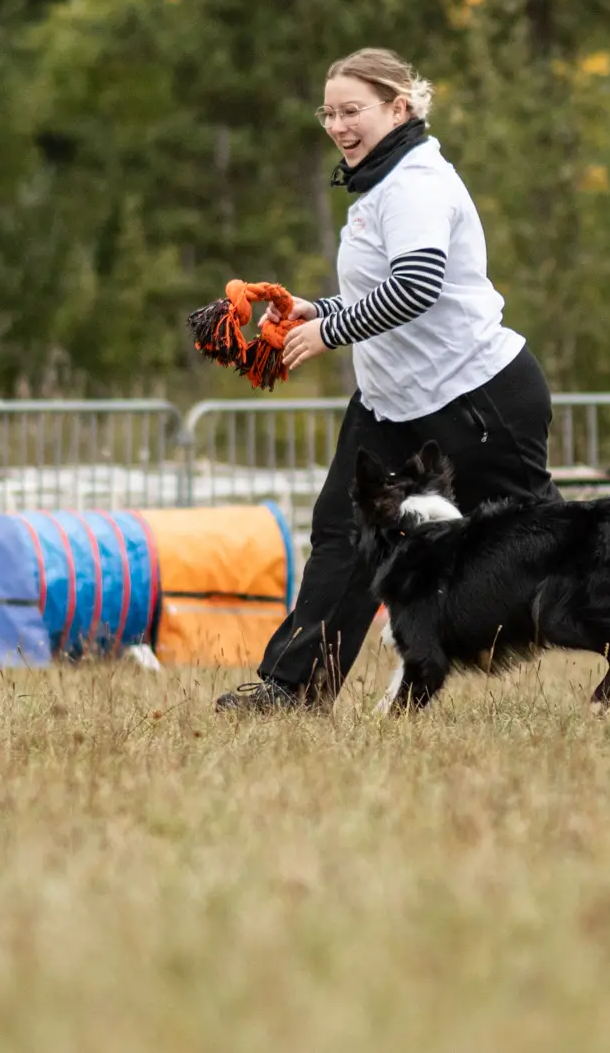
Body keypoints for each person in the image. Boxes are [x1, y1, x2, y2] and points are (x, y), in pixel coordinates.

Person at [216, 47, 560, 713]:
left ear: (399, 108)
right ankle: (294, 691)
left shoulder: (416, 183)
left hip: (477, 397)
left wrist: (330, 333)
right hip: (394, 401)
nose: (339, 126)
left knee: (547, 548)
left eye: (354, 111)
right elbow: (390, 294)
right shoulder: (379, 185)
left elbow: (420, 287)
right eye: (329, 114)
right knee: (342, 533)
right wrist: (323, 311)